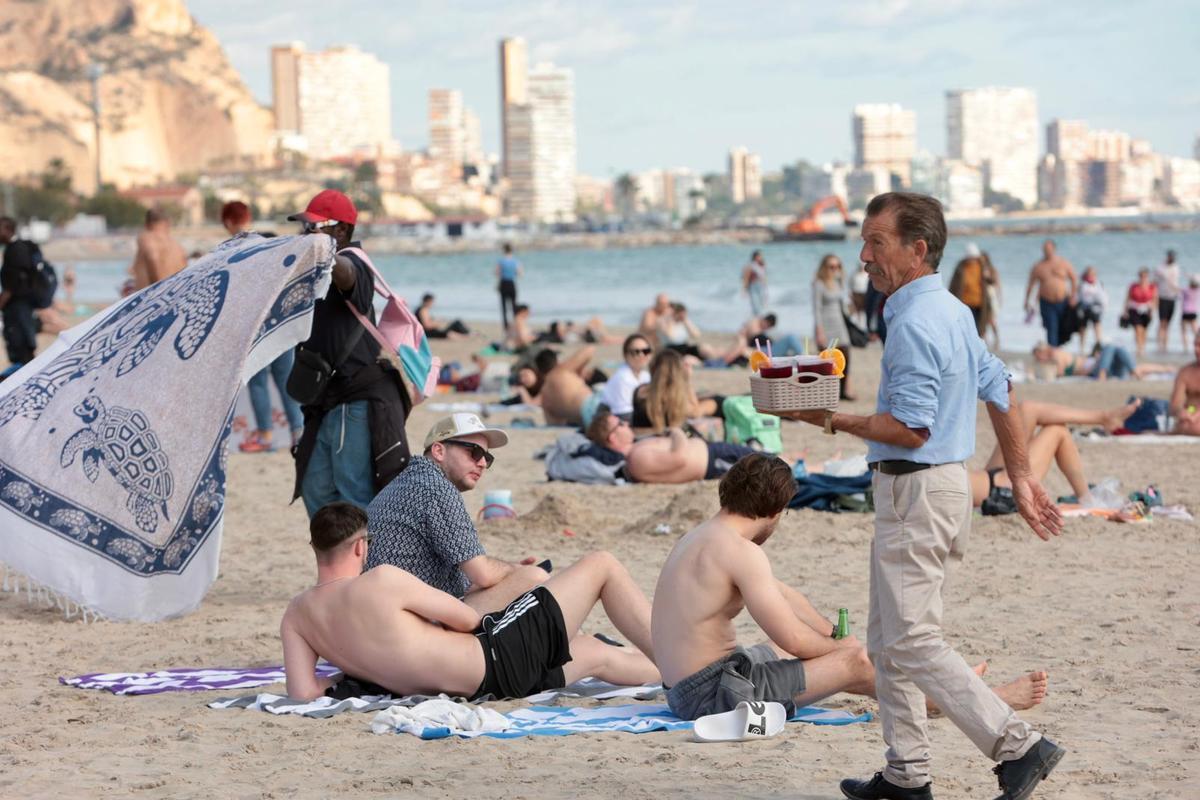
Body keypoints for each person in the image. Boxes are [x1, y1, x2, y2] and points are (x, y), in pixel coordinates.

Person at [774, 192, 1064, 800]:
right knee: (886, 643)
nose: (863, 256)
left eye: (876, 242)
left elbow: (910, 428)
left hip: (918, 488)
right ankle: (907, 775)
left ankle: (1019, 745)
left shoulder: (916, 318)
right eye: (864, 240)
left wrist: (826, 418)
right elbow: (1002, 386)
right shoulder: (953, 310)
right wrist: (1021, 476)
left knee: (911, 642)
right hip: (934, 488)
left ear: (918, 249)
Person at [653, 454, 1048, 723]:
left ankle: (940, 684)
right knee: (854, 664)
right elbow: (791, 636)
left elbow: (785, 596)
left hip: (689, 687)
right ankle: (979, 700)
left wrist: (831, 632)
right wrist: (845, 649)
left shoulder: (704, 537)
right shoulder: (742, 553)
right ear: (776, 511)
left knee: (810, 651)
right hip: (716, 697)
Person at [281, 502, 658, 702]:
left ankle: (676, 668)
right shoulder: (382, 580)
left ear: (316, 548)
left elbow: (302, 693)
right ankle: (686, 662)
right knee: (601, 564)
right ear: (362, 546)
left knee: (594, 651)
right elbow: (465, 619)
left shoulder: (297, 615)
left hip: (486, 691)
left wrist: (342, 674)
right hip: (497, 660)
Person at [287, 190, 411, 517]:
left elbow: (347, 274)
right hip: (325, 399)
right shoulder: (314, 271)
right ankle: (339, 561)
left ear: (340, 231)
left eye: (316, 227)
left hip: (356, 396)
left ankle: (365, 565)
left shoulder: (354, 263)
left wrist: (324, 252)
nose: (307, 235)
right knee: (315, 488)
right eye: (306, 228)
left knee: (353, 491)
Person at [365, 413, 548, 612]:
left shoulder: (409, 482)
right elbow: (482, 574)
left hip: (384, 608)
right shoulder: (436, 489)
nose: (483, 464)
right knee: (534, 578)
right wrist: (515, 570)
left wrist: (505, 573)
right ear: (439, 451)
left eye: (487, 457)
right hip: (408, 619)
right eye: (474, 452)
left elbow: (466, 577)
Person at [216, 201, 303, 454]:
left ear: (228, 222)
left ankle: (265, 434)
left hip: (255, 324)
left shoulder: (235, 248)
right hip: (280, 321)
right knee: (285, 379)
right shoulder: (271, 241)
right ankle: (298, 432)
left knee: (257, 381)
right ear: (249, 216)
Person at [968, 399, 1139, 507]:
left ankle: (1104, 417)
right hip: (999, 491)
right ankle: (1087, 499)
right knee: (1058, 432)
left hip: (987, 477)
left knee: (1027, 409)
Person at [585, 407, 756, 484]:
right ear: (613, 438)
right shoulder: (637, 458)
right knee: (767, 467)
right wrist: (677, 432)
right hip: (714, 461)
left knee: (768, 463)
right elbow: (679, 458)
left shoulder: (637, 451)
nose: (625, 423)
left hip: (714, 455)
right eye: (620, 424)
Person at [631, 349, 725, 431]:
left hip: (642, 437)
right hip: (668, 440)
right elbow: (695, 413)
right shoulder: (673, 397)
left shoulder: (639, 390)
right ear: (677, 372)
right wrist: (687, 380)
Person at [812, 254, 855, 401]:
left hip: (839, 324)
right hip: (825, 325)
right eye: (831, 266)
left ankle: (842, 391)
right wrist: (819, 331)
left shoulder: (839, 282)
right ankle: (826, 393)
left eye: (838, 266)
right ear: (824, 267)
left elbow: (842, 305)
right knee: (826, 361)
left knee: (845, 356)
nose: (835, 269)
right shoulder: (819, 283)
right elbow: (816, 308)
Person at [0, 217, 40, 373]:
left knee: (21, 349)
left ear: (8, 229)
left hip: (18, 309)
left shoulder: (15, 250)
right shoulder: (17, 249)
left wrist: (2, 302)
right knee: (22, 349)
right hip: (21, 308)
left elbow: (12, 285)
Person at [1023, 239, 1078, 348]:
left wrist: (1073, 296)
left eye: (1049, 249)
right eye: (1045, 249)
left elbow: (1074, 279)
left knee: (1063, 329)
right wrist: (1026, 300)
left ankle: (1059, 351)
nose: (1047, 251)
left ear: (1054, 249)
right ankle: (1053, 351)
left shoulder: (1063, 263)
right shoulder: (1039, 266)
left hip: (1063, 301)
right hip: (1046, 302)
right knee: (1051, 327)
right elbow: (1031, 285)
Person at [539, 345, 608, 427]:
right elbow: (589, 349)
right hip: (595, 404)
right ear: (557, 362)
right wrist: (579, 369)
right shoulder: (561, 371)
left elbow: (554, 424)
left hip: (588, 420)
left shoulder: (544, 396)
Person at [1031, 342, 1173, 381]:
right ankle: (1163, 369)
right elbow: (1061, 374)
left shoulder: (1055, 354)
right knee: (1113, 348)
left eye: (1038, 356)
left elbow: (1060, 373)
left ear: (1043, 351)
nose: (1039, 360)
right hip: (1096, 369)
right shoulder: (1055, 356)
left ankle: (1165, 369)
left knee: (1114, 348)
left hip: (1098, 367)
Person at [129, 208, 186, 291]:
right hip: (175, 295)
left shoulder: (147, 237)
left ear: (146, 224)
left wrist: (158, 291)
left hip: (154, 297)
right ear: (168, 223)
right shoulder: (178, 246)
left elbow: (152, 256)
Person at [598, 334, 652, 420]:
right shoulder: (623, 378)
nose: (642, 355)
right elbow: (623, 417)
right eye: (636, 352)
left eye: (646, 351)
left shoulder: (646, 376)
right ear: (625, 355)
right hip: (605, 420)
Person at [949, 242, 992, 337]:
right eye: (971, 257)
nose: (972, 260)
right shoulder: (961, 267)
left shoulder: (982, 266)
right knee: (965, 330)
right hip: (965, 304)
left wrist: (988, 277)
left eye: (974, 257)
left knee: (979, 329)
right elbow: (953, 285)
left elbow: (991, 281)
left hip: (980, 304)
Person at [1168, 332, 1200, 435]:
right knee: (1185, 425)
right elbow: (1175, 404)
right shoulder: (1185, 372)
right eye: (1195, 345)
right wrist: (1181, 412)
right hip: (1189, 416)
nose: (1196, 350)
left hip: (1196, 419)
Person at [1123, 267, 1157, 359]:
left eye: (1145, 276)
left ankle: (1143, 347)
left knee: (1144, 330)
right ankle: (1139, 348)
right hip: (1134, 310)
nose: (1143, 278)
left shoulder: (1152, 286)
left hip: (1147, 310)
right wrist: (1125, 311)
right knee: (1137, 329)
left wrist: (1152, 310)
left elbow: (1155, 300)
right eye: (1141, 276)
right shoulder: (1133, 286)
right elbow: (1127, 299)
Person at [1076, 266, 1107, 356]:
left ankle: (1099, 345)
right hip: (1084, 308)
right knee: (1082, 328)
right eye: (1089, 273)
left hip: (1096, 309)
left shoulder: (1098, 284)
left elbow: (1104, 298)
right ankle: (1081, 348)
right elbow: (1078, 296)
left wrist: (1103, 308)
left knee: (1097, 326)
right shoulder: (1082, 284)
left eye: (1093, 274)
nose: (1091, 275)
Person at [1154, 249, 1181, 353]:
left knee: (1168, 323)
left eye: (1173, 256)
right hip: (1162, 297)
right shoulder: (1160, 268)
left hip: (1172, 297)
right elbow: (1155, 282)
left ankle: (1165, 345)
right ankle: (1159, 343)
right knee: (1162, 321)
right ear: (1168, 256)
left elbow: (1176, 283)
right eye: (1171, 256)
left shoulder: (1176, 268)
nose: (1172, 258)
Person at [496, 243, 522, 331]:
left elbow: (497, 273)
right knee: (514, 305)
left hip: (503, 283)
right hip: (511, 283)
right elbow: (520, 273)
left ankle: (505, 326)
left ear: (504, 250)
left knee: (503, 306)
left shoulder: (501, 261)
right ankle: (515, 324)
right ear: (512, 250)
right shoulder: (515, 261)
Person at [981, 251, 1002, 350]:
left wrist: (999, 297)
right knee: (983, 319)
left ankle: (996, 337)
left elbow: (997, 284)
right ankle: (984, 339)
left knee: (991, 319)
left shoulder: (992, 270)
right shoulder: (979, 269)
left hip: (991, 296)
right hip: (982, 297)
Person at [741, 250, 768, 316]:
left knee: (762, 303)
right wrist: (744, 289)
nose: (761, 257)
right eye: (759, 256)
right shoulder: (751, 265)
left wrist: (765, 285)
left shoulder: (761, 265)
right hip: (753, 285)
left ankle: (760, 318)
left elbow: (764, 277)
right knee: (755, 304)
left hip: (761, 286)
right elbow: (746, 277)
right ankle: (757, 318)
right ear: (755, 257)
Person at [1181, 274, 1200, 353]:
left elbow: (1176, 288)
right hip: (1193, 313)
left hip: (1185, 312)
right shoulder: (1197, 290)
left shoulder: (1186, 290)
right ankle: (1197, 345)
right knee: (1196, 332)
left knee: (1184, 331)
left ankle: (1185, 348)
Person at [850, 262, 871, 328]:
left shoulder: (867, 275)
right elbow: (850, 285)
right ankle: (856, 324)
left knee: (863, 311)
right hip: (856, 294)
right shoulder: (855, 274)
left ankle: (863, 325)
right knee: (856, 311)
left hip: (864, 295)